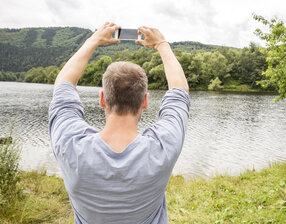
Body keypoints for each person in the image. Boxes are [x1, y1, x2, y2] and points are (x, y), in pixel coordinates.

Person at [48, 22, 190, 224]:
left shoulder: (71, 145)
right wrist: (161, 44)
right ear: (145, 101)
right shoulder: (162, 148)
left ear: (102, 99)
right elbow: (179, 93)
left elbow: (63, 85)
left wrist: (93, 40)